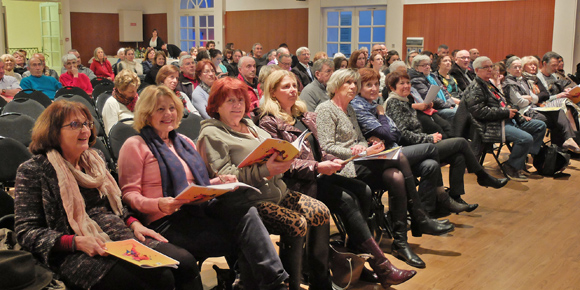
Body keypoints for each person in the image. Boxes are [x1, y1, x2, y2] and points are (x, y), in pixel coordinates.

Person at [15, 100, 199, 290]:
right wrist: (75, 242)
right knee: (160, 278)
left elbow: (116, 205)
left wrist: (134, 223)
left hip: (120, 236)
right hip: (76, 252)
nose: (85, 130)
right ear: (52, 131)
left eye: (87, 123)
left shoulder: (95, 160)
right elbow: (26, 231)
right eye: (75, 125)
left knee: (186, 263)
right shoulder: (34, 170)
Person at [118, 86, 289, 290]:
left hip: (195, 210)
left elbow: (199, 185)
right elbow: (128, 195)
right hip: (164, 220)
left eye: (172, 108)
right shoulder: (135, 145)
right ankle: (270, 283)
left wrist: (220, 182)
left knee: (246, 212)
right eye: (160, 109)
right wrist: (159, 204)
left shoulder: (184, 142)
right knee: (246, 238)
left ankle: (272, 282)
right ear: (146, 114)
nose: (168, 114)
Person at [257, 70, 417, 288]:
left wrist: (334, 160)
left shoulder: (304, 115)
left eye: (294, 85)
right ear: (273, 92)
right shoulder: (268, 122)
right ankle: (382, 265)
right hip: (296, 183)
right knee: (347, 200)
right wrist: (318, 166)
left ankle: (360, 263)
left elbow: (323, 147)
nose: (293, 90)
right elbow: (284, 164)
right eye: (286, 87)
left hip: (318, 175)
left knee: (363, 190)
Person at [197, 77, 333, 290]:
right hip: (251, 200)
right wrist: (266, 170)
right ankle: (291, 285)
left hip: (278, 190)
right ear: (216, 105)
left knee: (321, 212)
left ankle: (320, 281)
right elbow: (226, 178)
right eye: (230, 101)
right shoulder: (212, 133)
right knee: (296, 223)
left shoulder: (249, 124)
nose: (237, 106)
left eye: (240, 101)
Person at [315, 69, 454, 269]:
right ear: (335, 85)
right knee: (400, 156)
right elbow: (326, 146)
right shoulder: (325, 109)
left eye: (355, 83)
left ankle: (401, 242)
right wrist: (358, 151)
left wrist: (368, 146)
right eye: (348, 83)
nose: (353, 87)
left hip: (361, 161)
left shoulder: (349, 109)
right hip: (343, 166)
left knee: (396, 176)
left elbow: (360, 139)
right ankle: (418, 216)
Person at [383, 70, 508, 210]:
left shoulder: (404, 101)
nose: (406, 86)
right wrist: (429, 137)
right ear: (392, 87)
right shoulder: (394, 103)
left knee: (459, 157)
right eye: (402, 83)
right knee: (461, 142)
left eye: (408, 82)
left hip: (422, 145)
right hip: (413, 150)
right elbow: (403, 135)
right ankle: (481, 175)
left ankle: (455, 196)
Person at [463, 57, 547, 182]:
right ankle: (511, 166)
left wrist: (516, 113)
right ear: (476, 70)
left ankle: (523, 158)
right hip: (492, 125)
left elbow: (504, 103)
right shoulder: (475, 88)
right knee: (526, 138)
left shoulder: (489, 84)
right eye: (486, 67)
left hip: (506, 119)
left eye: (491, 66)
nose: (490, 69)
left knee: (540, 125)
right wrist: (505, 112)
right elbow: (479, 112)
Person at [502, 56, 580, 152]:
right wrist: (531, 98)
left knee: (559, 113)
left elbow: (536, 97)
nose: (518, 69)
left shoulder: (522, 80)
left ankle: (562, 148)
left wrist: (529, 98)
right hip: (523, 113)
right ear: (508, 69)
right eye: (515, 67)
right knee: (557, 120)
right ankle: (545, 153)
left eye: (519, 67)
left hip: (533, 108)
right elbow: (520, 103)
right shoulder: (509, 83)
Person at [409, 54, 457, 122]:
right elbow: (430, 98)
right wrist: (447, 105)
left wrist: (451, 103)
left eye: (428, 64)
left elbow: (444, 92)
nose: (427, 67)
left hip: (444, 105)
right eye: (424, 65)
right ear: (416, 67)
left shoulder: (432, 76)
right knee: (455, 113)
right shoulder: (416, 80)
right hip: (434, 108)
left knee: (463, 111)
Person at [101, 69, 140, 135]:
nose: (135, 94)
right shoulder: (111, 104)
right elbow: (112, 134)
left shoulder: (137, 99)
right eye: (130, 92)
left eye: (136, 89)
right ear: (120, 90)